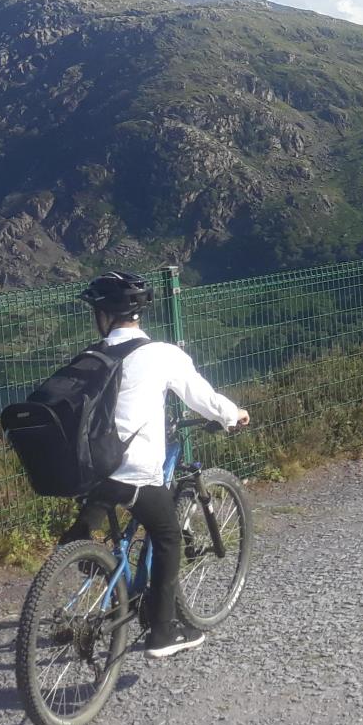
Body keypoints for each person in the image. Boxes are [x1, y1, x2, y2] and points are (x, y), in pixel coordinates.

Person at [72, 272, 249, 659]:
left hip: (89, 470)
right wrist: (234, 416)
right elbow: (203, 398)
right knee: (167, 536)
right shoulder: (162, 354)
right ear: (136, 313)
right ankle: (162, 633)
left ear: (103, 316)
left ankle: (85, 558)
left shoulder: (91, 356)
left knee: (92, 520)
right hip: (133, 472)